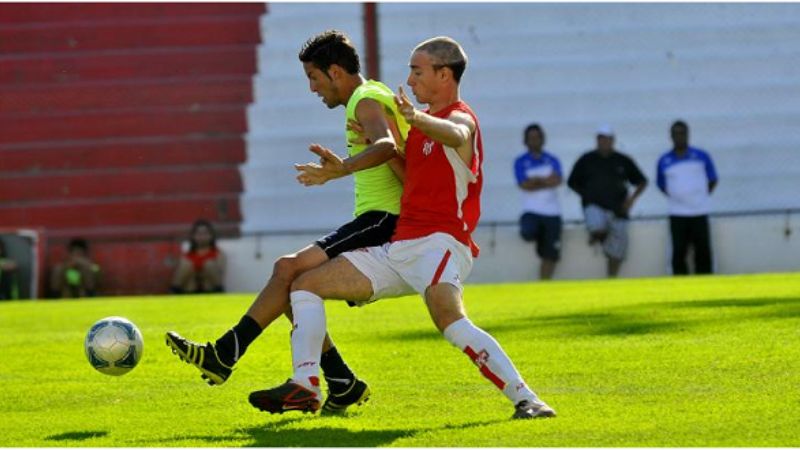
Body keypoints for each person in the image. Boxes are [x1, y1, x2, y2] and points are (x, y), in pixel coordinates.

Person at [252, 36, 556, 420]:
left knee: (449, 319)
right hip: (400, 247)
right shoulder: (419, 134)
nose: (409, 81)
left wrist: (416, 119)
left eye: (417, 71)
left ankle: (527, 399)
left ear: (444, 75)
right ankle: (306, 384)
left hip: (441, 243)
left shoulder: (460, 117)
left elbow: (458, 135)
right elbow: (407, 174)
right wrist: (363, 158)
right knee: (304, 284)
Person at [164, 30, 409, 414]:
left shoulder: (365, 99)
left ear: (335, 72)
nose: (312, 88)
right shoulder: (371, 94)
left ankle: (224, 354)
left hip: (384, 220)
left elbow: (386, 147)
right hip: (378, 217)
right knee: (295, 285)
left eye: (314, 78)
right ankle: (342, 382)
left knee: (287, 268)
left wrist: (339, 169)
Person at [567, 125, 648, 277]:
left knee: (617, 252)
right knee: (597, 225)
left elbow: (642, 181)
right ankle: (597, 235)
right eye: (602, 139)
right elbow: (572, 182)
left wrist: (631, 200)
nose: (605, 142)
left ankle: (611, 278)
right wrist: (586, 195)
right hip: (594, 206)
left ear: (613, 141)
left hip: (618, 209)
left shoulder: (623, 160)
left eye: (608, 139)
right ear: (597, 140)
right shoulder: (586, 159)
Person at [656, 120, 718, 275]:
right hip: (677, 213)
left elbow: (712, 179)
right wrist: (678, 196)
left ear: (688, 135)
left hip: (699, 211)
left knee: (702, 250)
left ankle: (705, 281)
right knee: (678, 251)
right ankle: (680, 282)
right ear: (670, 136)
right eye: (676, 134)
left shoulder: (701, 156)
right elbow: (661, 184)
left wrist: (698, 196)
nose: (679, 137)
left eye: (682, 133)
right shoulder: (664, 160)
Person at [513, 123, 563, 280]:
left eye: (537, 137)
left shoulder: (552, 159)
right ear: (525, 141)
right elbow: (524, 185)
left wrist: (535, 181)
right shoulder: (520, 161)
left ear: (543, 139)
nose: (534, 141)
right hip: (531, 211)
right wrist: (544, 181)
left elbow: (556, 180)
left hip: (552, 212)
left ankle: (544, 281)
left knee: (551, 253)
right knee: (528, 232)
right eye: (531, 138)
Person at [170, 219, 226, 294]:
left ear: (211, 236)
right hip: (190, 288)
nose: (202, 236)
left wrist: (201, 272)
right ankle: (173, 293)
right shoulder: (187, 255)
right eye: (199, 233)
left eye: (205, 233)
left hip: (209, 288)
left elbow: (218, 274)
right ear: (193, 236)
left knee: (209, 265)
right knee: (186, 265)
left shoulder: (218, 254)